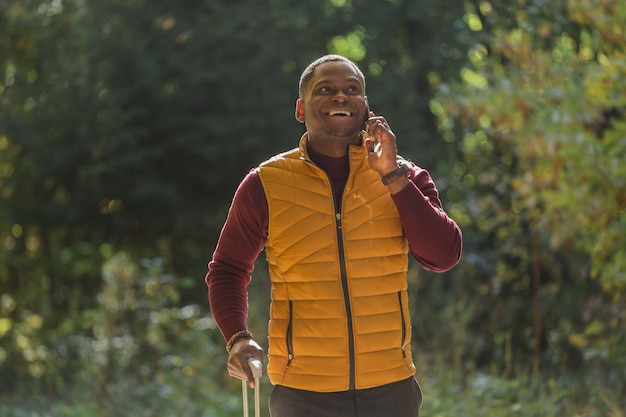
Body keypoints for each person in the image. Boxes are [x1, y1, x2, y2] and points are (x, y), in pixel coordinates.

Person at [206, 54, 462, 417]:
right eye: (325, 89)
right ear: (300, 109)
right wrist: (238, 337)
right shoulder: (265, 184)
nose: (340, 97)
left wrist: (392, 175)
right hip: (302, 394)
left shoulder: (406, 177)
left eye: (352, 90)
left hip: (391, 390)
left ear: (367, 108)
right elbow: (228, 269)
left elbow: (443, 256)